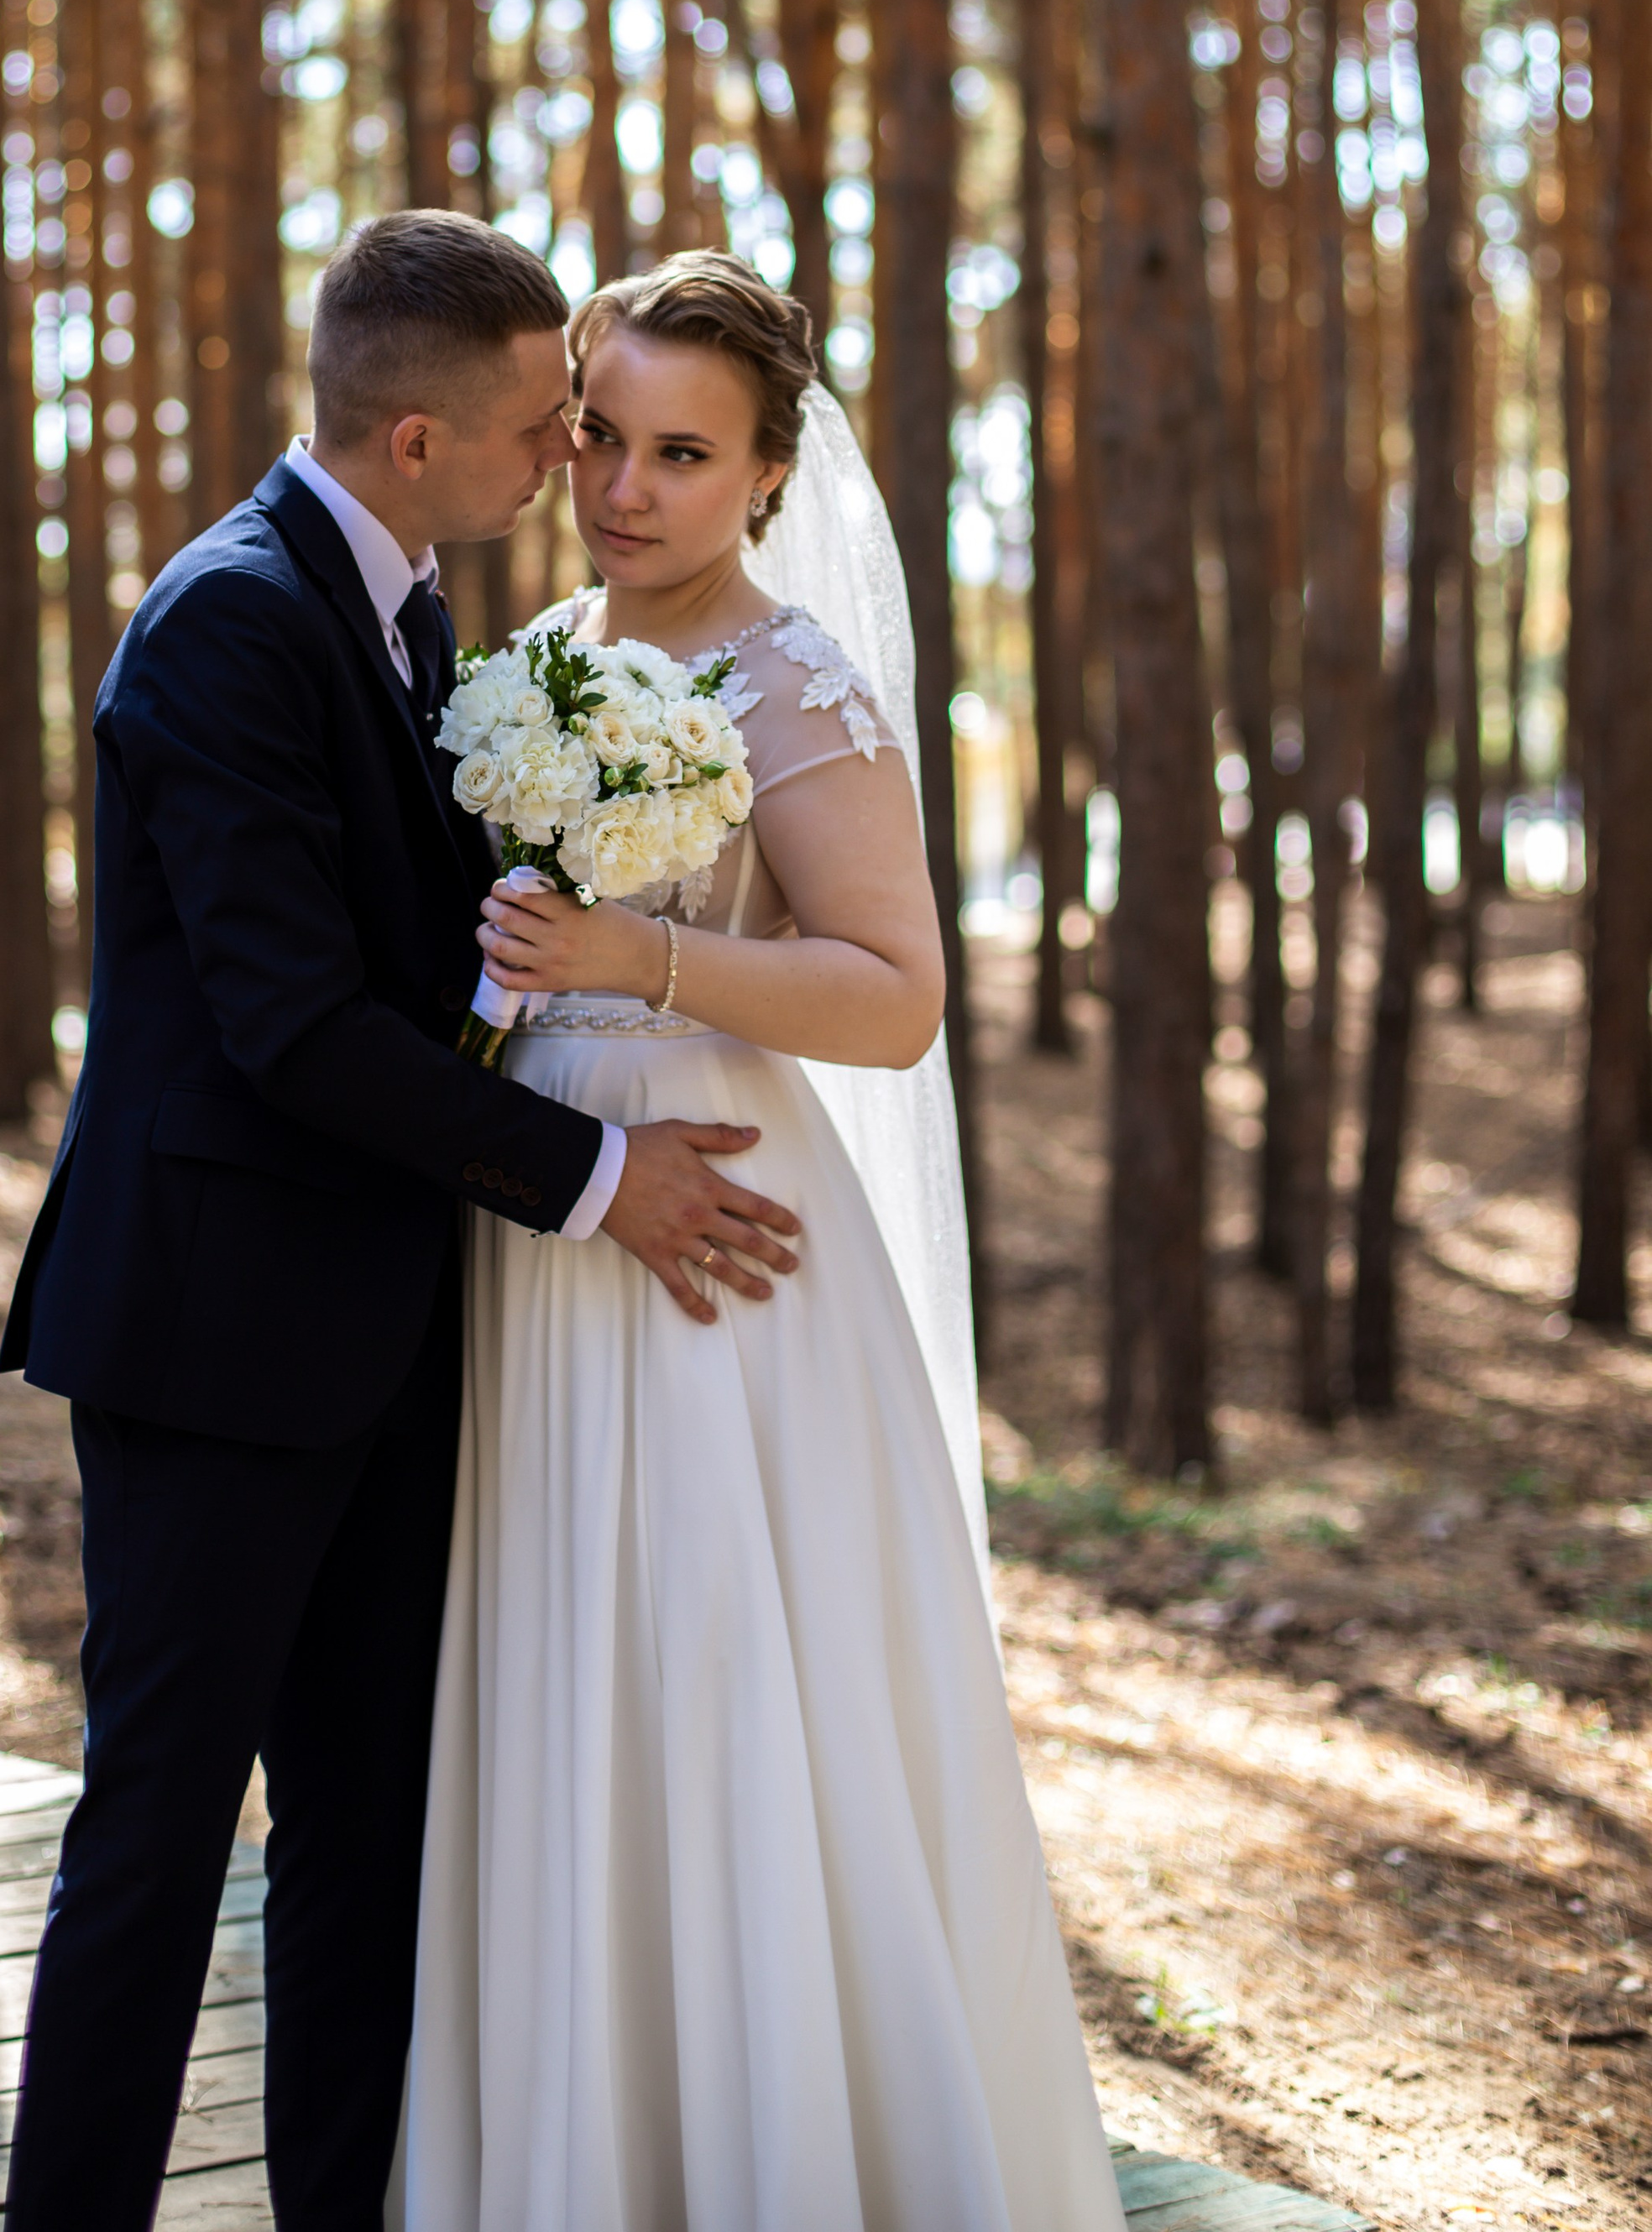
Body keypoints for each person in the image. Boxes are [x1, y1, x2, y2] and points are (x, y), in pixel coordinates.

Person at [0, 212, 802, 2232]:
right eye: (546, 426)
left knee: (369, 1842)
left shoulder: (415, 613)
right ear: (422, 434)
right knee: (161, 1839)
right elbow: (285, 1027)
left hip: (387, 1331)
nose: (576, 464)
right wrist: (600, 1183)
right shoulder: (225, 624)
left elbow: (413, 953)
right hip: (208, 1334)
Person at [400, 250, 1124, 2232]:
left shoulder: (793, 686)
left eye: (683, 454)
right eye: (603, 440)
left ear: (768, 473)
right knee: (562, 1678)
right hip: (545, 1229)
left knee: (713, 1670)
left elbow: (893, 996)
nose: (625, 488)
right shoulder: (537, 653)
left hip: (720, 1236)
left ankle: (770, 2146)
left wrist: (639, 952)